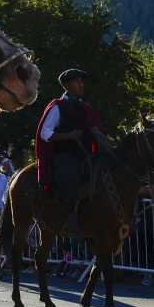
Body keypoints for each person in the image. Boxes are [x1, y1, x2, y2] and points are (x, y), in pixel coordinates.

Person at [35, 68, 106, 215]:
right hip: (64, 155)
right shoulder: (57, 106)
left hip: (85, 155)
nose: (81, 85)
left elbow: (94, 128)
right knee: (69, 176)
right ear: (67, 85)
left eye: (82, 82)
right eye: (77, 82)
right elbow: (45, 133)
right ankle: (68, 216)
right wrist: (69, 135)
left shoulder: (85, 108)